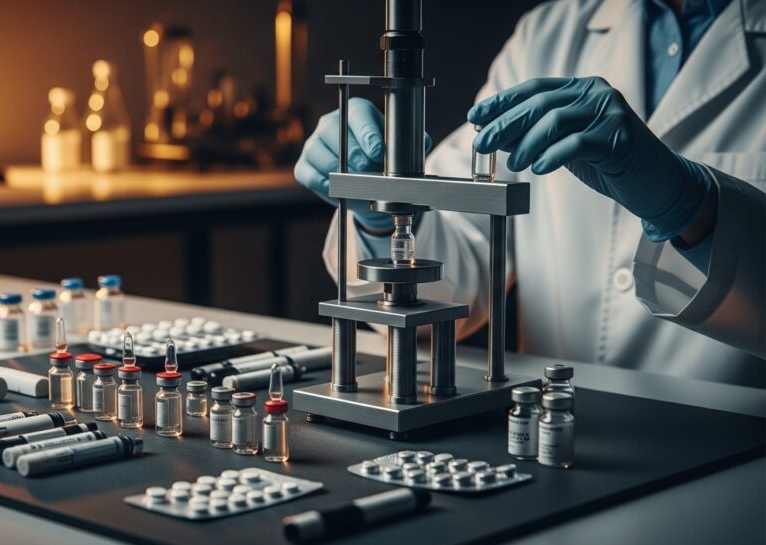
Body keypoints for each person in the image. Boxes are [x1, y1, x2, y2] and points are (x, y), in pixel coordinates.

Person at [294, 0, 764, 386]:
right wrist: (384, 213)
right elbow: (452, 274)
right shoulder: (548, 34)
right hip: (553, 429)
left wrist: (692, 204)